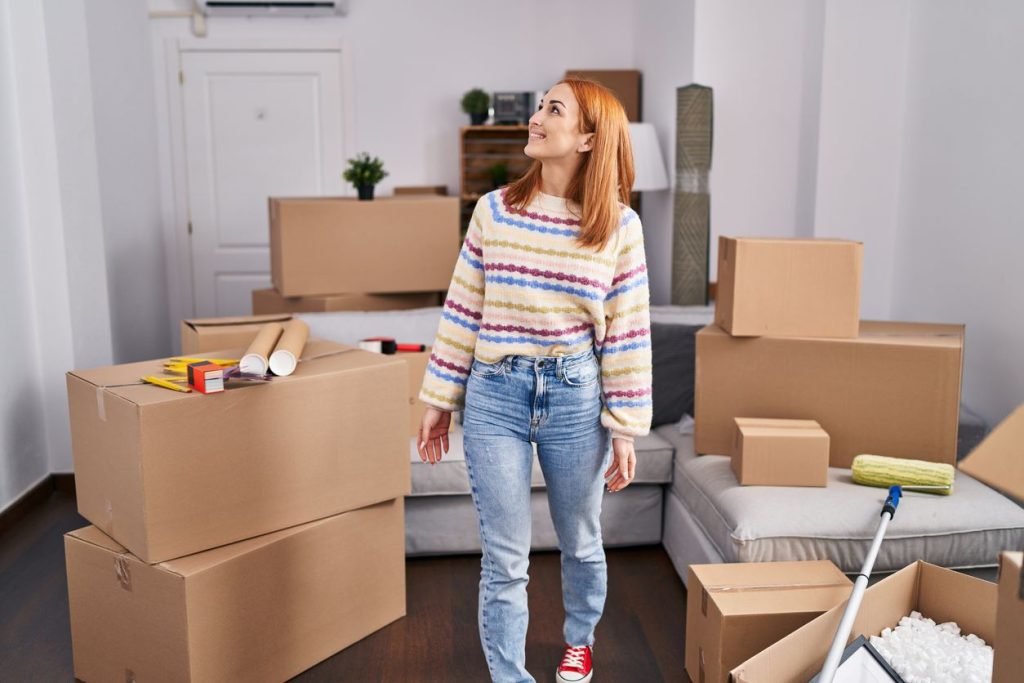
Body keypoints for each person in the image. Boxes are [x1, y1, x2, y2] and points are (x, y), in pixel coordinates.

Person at [417, 77, 652, 683]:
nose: (536, 118)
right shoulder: (493, 211)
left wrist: (624, 429)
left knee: (580, 540)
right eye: (540, 107)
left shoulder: (619, 227)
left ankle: (580, 642)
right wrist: (441, 397)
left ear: (588, 138)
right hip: (495, 394)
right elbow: (463, 308)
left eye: (554, 110)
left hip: (575, 396)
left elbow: (626, 332)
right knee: (504, 557)